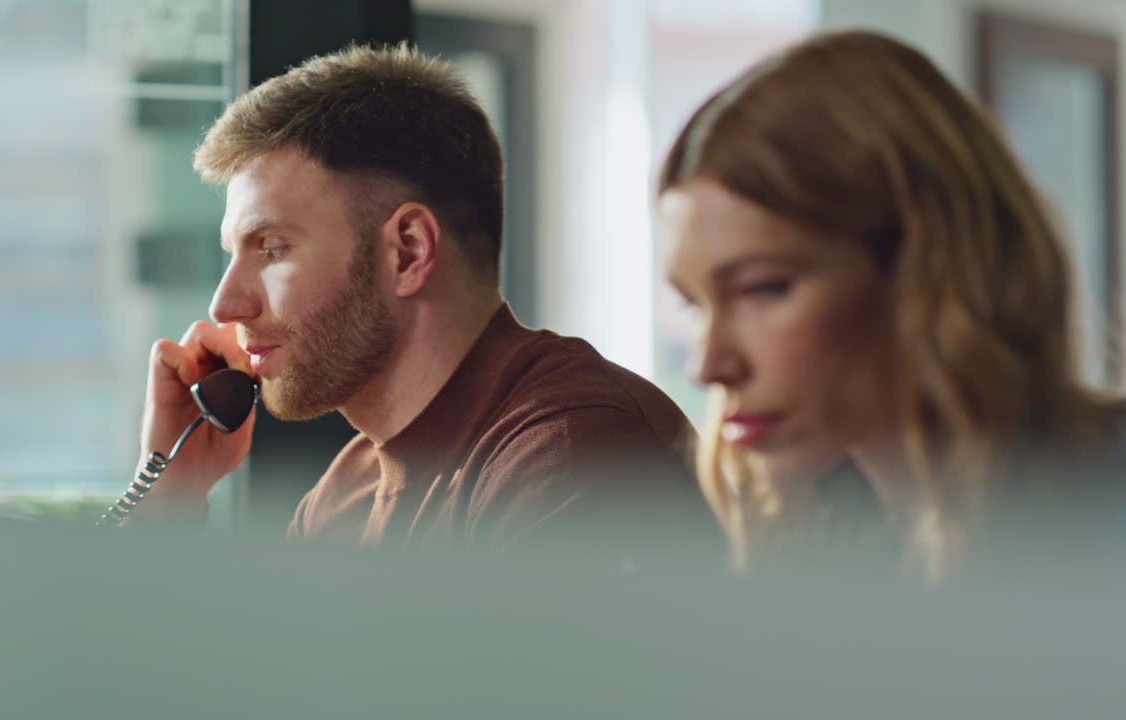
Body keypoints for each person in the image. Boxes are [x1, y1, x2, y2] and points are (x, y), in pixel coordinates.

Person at [132, 43, 710, 552]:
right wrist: (169, 494)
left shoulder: (573, 459)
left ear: (407, 252)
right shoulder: (345, 492)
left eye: (272, 249)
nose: (225, 304)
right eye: (234, 251)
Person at [656, 30, 1126, 581]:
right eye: (695, 305)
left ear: (927, 265)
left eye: (764, 289)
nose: (709, 366)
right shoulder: (813, 543)